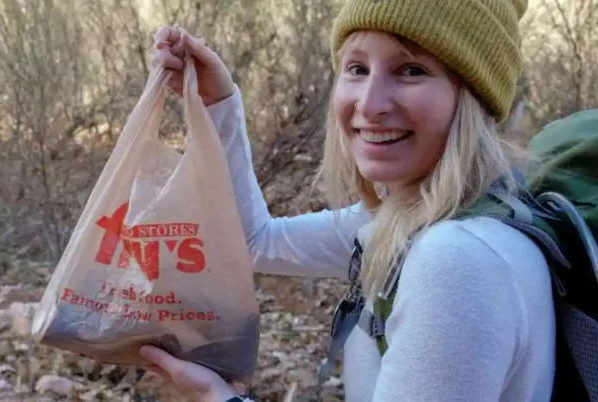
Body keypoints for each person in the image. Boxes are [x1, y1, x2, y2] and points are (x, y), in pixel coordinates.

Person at [140, 0, 556, 401]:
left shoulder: (458, 260)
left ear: (473, 97)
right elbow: (254, 241)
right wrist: (219, 103)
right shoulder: (409, 219)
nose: (369, 104)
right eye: (357, 68)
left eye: (412, 70)